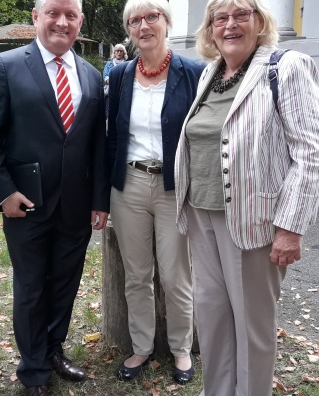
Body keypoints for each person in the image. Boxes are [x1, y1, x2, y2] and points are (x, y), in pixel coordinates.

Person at [174, 0, 319, 394]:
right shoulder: (210, 73)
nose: (230, 25)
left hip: (253, 221)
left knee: (252, 328)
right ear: (210, 29)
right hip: (201, 214)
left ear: (260, 22)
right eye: (220, 18)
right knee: (212, 319)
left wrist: (290, 228)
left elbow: (312, 152)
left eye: (241, 14)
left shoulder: (287, 67)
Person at [0, 0, 109, 394]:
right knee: (32, 288)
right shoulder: (7, 66)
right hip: (25, 204)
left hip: (76, 205)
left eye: (71, 15)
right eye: (53, 12)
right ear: (37, 17)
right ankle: (33, 369)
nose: (62, 22)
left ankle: (53, 349)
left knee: (65, 283)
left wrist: (99, 200)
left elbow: (96, 145)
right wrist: (3, 193)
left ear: (80, 22)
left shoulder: (89, 73)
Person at [105, 0, 205, 385]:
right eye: (135, 20)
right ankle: (141, 346)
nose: (143, 25)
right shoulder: (122, 74)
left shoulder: (193, 72)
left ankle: (181, 348)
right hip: (128, 185)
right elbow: (113, 136)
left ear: (166, 22)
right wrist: (104, 193)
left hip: (173, 186)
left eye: (152, 17)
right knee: (136, 274)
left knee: (176, 274)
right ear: (129, 29)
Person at [102, 43, 127, 116]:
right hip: (110, 92)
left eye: (121, 51)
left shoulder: (127, 65)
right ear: (114, 53)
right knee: (109, 113)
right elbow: (105, 76)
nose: (119, 53)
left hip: (122, 93)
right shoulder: (109, 64)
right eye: (117, 51)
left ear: (123, 53)